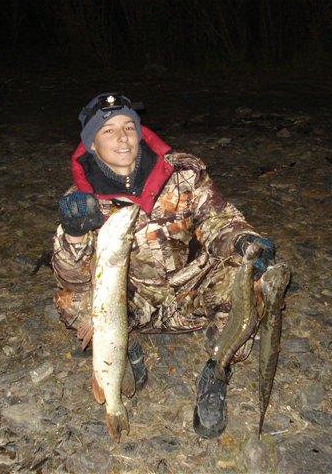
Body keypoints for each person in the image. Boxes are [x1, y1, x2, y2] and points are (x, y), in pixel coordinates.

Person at [51, 93, 276, 438]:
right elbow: (71, 276)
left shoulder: (183, 173)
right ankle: (124, 352)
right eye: (108, 131)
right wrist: (75, 236)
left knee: (251, 282)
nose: (123, 137)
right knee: (72, 301)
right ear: (92, 144)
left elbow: (219, 220)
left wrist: (245, 241)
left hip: (190, 290)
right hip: (133, 301)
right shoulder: (82, 200)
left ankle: (217, 369)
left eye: (129, 126)